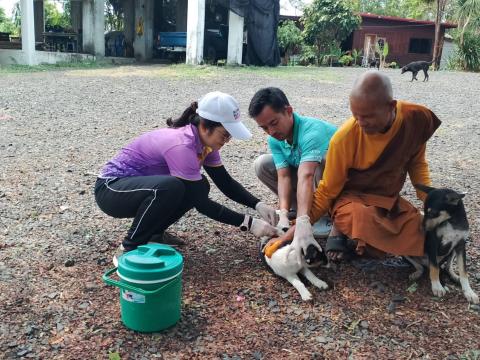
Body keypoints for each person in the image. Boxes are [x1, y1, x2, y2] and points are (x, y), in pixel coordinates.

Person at [273, 71, 441, 265]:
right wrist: (298, 227)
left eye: (367, 117)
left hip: (387, 199)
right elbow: (326, 192)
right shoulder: (345, 138)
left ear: (391, 106)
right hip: (352, 199)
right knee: (357, 218)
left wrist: (431, 199)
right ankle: (352, 232)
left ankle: (400, 243)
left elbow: (417, 163)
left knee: (425, 228)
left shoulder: (416, 118)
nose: (360, 123)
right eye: (355, 116)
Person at [94, 91, 279, 265]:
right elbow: (201, 204)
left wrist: (258, 204)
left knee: (199, 185)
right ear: (205, 126)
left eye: (229, 136)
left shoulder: (205, 143)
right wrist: (249, 223)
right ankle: (129, 247)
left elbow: (225, 182)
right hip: (111, 189)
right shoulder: (182, 145)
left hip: (139, 188)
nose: (226, 141)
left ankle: (153, 234)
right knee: (173, 187)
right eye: (224, 135)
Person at [250, 87, 337, 237]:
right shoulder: (275, 139)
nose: (271, 132)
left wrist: (303, 222)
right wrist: (283, 213)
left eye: (274, 123)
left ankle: (322, 218)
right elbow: (284, 176)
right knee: (262, 164)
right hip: (309, 181)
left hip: (339, 189)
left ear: (288, 111)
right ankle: (300, 211)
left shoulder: (311, 132)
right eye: (264, 128)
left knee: (321, 160)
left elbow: (307, 175)